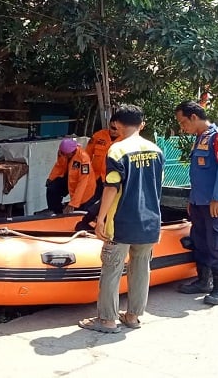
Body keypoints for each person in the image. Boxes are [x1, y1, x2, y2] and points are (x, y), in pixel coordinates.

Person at [78, 104, 164, 333]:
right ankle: (133, 316)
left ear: (116, 125)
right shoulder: (157, 150)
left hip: (122, 222)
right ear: (141, 124)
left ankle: (106, 320)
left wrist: (102, 218)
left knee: (112, 269)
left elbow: (111, 187)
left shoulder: (117, 151)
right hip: (150, 221)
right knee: (141, 269)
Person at [174, 100, 218, 306]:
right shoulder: (200, 138)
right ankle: (204, 280)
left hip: (216, 202)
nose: (183, 128)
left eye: (183, 122)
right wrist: (193, 200)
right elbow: (199, 174)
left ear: (194, 117)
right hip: (199, 201)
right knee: (200, 240)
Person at [45, 137, 97, 215]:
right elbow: (59, 165)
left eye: (66, 154)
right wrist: (51, 178)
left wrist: (73, 203)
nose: (63, 155)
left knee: (79, 213)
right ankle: (56, 212)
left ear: (72, 152)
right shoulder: (62, 152)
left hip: (84, 189)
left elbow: (83, 183)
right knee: (52, 189)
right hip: (69, 179)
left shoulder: (84, 160)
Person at [85, 115, 120, 199]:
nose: (115, 131)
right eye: (113, 128)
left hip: (112, 179)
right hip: (95, 177)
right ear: (109, 125)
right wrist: (85, 173)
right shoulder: (98, 136)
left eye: (118, 129)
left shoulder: (125, 140)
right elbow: (87, 155)